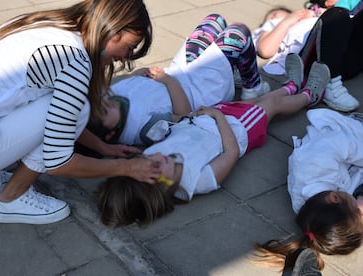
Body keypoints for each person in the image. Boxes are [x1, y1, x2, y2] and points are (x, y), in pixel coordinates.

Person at [0, 0, 159, 225]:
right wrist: (127, 168)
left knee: (57, 103)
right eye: (130, 47)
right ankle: (11, 199)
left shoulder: (46, 24)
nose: (125, 58)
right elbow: (58, 162)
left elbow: (59, 118)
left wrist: (102, 147)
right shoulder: (74, 61)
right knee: (80, 109)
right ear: (114, 30)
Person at [95, 53, 331, 227]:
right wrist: (218, 117)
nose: (154, 154)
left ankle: (291, 86)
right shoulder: (198, 181)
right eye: (155, 163)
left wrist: (199, 116)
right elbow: (231, 153)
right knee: (270, 106)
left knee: (251, 103)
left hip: (208, 118)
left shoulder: (149, 163)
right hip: (238, 129)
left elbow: (175, 130)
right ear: (160, 187)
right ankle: (309, 95)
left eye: (147, 156)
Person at [77, 14, 271, 157]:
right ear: (111, 135)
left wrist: (136, 74)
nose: (104, 103)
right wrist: (167, 81)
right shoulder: (144, 129)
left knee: (215, 21)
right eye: (103, 113)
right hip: (201, 89)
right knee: (238, 33)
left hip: (182, 71)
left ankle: (234, 68)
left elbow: (126, 86)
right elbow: (185, 116)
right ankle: (252, 87)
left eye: (97, 103)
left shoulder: (107, 101)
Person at [253, 108, 363, 273]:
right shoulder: (315, 214)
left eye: (357, 212)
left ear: (334, 198)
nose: (359, 211)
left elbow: (342, 144)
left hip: (341, 134)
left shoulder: (315, 163)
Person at [253, 3, 363, 112]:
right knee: (337, 14)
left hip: (346, 58)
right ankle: (329, 82)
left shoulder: (313, 16)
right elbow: (265, 50)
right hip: (316, 64)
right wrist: (289, 19)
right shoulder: (279, 24)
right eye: (274, 15)